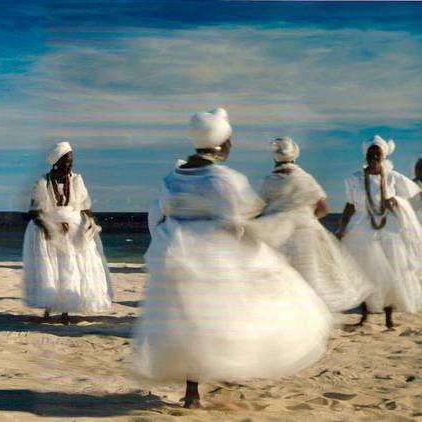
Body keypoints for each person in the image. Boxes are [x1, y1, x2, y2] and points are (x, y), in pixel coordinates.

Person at [134, 108, 332, 409]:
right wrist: (286, 216)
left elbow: (167, 210)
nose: (231, 145)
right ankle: (215, 378)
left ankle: (192, 392)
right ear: (222, 143)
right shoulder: (224, 178)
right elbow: (244, 215)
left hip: (178, 255)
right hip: (215, 258)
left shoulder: (172, 177)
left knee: (189, 323)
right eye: (230, 140)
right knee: (225, 320)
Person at [251, 137, 372, 312]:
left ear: (275, 158)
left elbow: (257, 209)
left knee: (280, 281)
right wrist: (305, 217)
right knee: (310, 281)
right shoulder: (305, 178)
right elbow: (324, 208)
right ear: (295, 156)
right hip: (306, 235)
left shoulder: (268, 181)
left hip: (277, 235)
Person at [336, 136, 422, 329]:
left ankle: (388, 317)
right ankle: (365, 315)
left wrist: (396, 202)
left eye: (377, 152)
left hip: (389, 230)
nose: (374, 155)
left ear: (384, 155)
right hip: (361, 229)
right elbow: (350, 205)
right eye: (371, 152)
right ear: (365, 155)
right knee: (364, 271)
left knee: (391, 272)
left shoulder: (393, 177)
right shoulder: (354, 179)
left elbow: (414, 197)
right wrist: (342, 227)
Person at [22, 142, 112, 325]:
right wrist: (50, 226)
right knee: (52, 270)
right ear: (56, 163)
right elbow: (35, 212)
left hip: (74, 230)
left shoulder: (77, 180)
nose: (69, 166)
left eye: (71, 162)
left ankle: (65, 310)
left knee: (70, 268)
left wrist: (90, 223)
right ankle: (49, 307)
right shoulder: (43, 183)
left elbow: (85, 207)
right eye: (66, 162)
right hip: (49, 231)